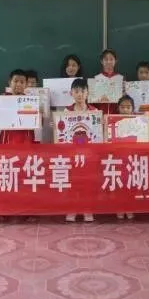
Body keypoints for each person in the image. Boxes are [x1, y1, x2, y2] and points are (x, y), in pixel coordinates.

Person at [64, 78, 96, 223]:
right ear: (71, 93)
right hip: (72, 154)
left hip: (89, 154)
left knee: (88, 183)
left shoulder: (94, 111)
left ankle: (87, 209)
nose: (80, 94)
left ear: (87, 93)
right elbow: (63, 133)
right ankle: (72, 209)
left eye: (82, 91)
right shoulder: (66, 111)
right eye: (76, 91)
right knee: (73, 182)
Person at [0, 69, 36, 145]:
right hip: (7, 139)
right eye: (15, 81)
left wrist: (39, 114)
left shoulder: (31, 101)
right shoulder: (1, 99)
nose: (18, 84)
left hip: (26, 138)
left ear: (26, 85)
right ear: (10, 82)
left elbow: (36, 123)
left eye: (22, 82)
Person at [116, 94, 135, 220]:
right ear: (118, 108)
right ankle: (120, 207)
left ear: (133, 108)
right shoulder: (113, 121)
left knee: (131, 184)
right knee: (119, 183)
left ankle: (129, 207)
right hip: (118, 158)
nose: (125, 110)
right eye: (122, 107)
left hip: (132, 158)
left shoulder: (138, 121)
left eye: (128, 107)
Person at [94, 49, 124, 116]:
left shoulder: (121, 78)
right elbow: (93, 100)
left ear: (115, 61)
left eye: (111, 59)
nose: (108, 61)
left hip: (117, 113)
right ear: (102, 61)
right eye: (106, 59)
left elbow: (124, 99)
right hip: (100, 113)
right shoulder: (96, 79)